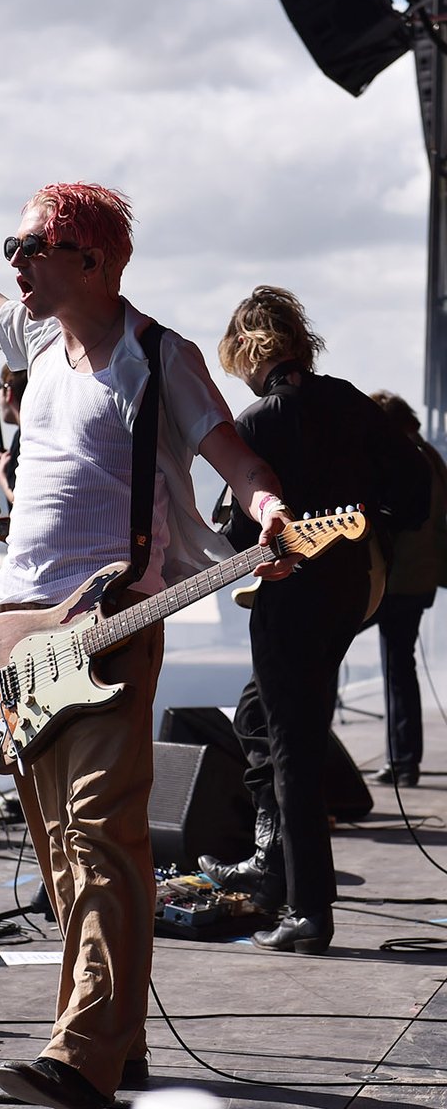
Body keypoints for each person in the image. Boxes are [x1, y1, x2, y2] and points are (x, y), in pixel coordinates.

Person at [0, 166, 294, 1109]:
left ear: (90, 260)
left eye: (31, 248)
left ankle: (80, 1056)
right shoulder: (33, 338)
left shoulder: (158, 356)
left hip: (110, 625)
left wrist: (268, 509)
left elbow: (233, 454)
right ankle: (118, 1044)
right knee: (64, 853)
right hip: (19, 636)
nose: (13, 263)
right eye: (13, 248)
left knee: (100, 837)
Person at [199, 287, 430, 955]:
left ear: (250, 347)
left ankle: (309, 911)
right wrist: (371, 524)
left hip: (290, 597)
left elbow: (242, 531)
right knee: (260, 720)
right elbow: (414, 493)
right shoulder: (352, 401)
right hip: (350, 591)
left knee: (293, 749)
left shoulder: (258, 422)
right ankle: (274, 867)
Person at [365, 391, 447, 786]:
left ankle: (321, 760)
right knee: (401, 666)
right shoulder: (431, 455)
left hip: (392, 580)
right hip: (420, 579)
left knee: (324, 650)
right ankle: (405, 762)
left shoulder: (399, 455)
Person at [0, 364, 27, 507]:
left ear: (8, 392)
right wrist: (8, 464)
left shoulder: (25, 437)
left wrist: (2, 478)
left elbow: (22, 501)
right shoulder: (25, 435)